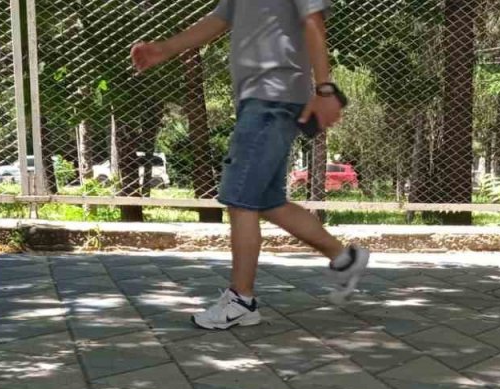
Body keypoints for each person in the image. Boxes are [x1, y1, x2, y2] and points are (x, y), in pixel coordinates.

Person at [131, 0, 370, 330]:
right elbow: (218, 20)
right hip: (258, 98)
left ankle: (241, 299)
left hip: (273, 97)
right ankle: (345, 259)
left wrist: (325, 88)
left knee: (240, 197)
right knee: (267, 201)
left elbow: (313, 20)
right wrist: (166, 49)